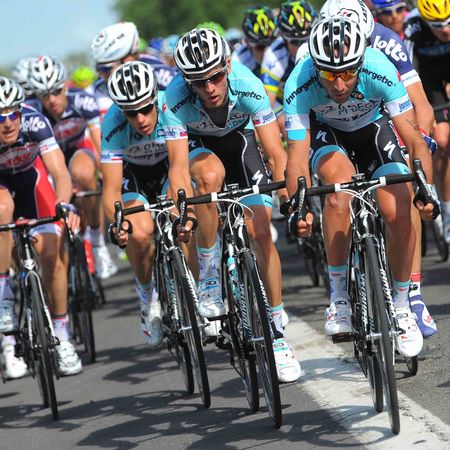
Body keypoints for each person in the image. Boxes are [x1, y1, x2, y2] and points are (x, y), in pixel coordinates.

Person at [284, 16, 437, 358]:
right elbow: (295, 157)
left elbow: (414, 139)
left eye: (348, 72)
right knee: (337, 191)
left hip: (373, 128)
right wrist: (299, 206)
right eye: (329, 75)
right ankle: (339, 297)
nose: (339, 84)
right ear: (316, 67)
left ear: (361, 63)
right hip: (328, 134)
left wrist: (426, 190)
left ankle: (402, 304)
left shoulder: (380, 68)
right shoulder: (299, 81)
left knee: (399, 205)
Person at [163, 27, 301, 383]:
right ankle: (209, 276)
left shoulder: (248, 84)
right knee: (209, 177)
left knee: (261, 233)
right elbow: (178, 169)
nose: (209, 87)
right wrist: (183, 213)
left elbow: (275, 153)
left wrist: (290, 200)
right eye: (199, 82)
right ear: (186, 81)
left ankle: (276, 329)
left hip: (241, 144)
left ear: (227, 66)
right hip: (200, 149)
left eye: (215, 77)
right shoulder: (174, 98)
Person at [0, 77, 82, 376]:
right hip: (1, 190)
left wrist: (65, 206)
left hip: (31, 183)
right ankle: (7, 329)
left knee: (52, 255)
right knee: (2, 209)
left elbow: (59, 173)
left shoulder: (35, 122)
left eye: (12, 114)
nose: (8, 123)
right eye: (0, 118)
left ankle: (62, 335)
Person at [27, 55, 118, 280]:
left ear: (65, 86)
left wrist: (103, 175)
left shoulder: (83, 101)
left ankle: (97, 240)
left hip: (78, 151)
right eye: (44, 95)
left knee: (84, 173)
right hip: (49, 161)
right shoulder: (32, 112)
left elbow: (100, 145)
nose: (52, 100)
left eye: (56, 91)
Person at [102, 61, 168, 348]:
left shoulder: (170, 105)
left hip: (168, 169)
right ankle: (147, 294)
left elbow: (183, 164)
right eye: (131, 113)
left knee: (185, 216)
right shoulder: (111, 123)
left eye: (145, 108)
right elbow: (111, 189)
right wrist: (118, 225)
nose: (141, 119)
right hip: (135, 178)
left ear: (155, 98)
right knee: (139, 234)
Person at [404, 1, 450, 239]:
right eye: (437, 25)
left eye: (449, 23)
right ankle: (448, 212)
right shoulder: (413, 26)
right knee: (441, 141)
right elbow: (407, 71)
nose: (445, 30)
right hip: (430, 83)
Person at [90, 22, 177, 119]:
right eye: (98, 69)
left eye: (105, 68)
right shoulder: (100, 87)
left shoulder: (162, 74)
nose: (101, 75)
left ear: (128, 60)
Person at [232, 5, 278, 77]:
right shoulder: (238, 60)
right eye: (261, 47)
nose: (267, 51)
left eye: (271, 45)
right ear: (247, 43)